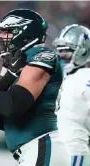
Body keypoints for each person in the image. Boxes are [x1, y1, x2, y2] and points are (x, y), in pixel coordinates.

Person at [0, 9, 70, 166]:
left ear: (25, 34)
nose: (1, 36)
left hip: (41, 146)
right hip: (36, 149)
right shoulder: (24, 63)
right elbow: (11, 120)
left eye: (7, 31)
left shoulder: (41, 55)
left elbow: (11, 106)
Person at [54, 24, 90, 166]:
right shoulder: (61, 79)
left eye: (66, 53)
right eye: (60, 52)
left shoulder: (86, 77)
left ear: (82, 53)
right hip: (56, 153)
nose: (61, 57)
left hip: (75, 154)